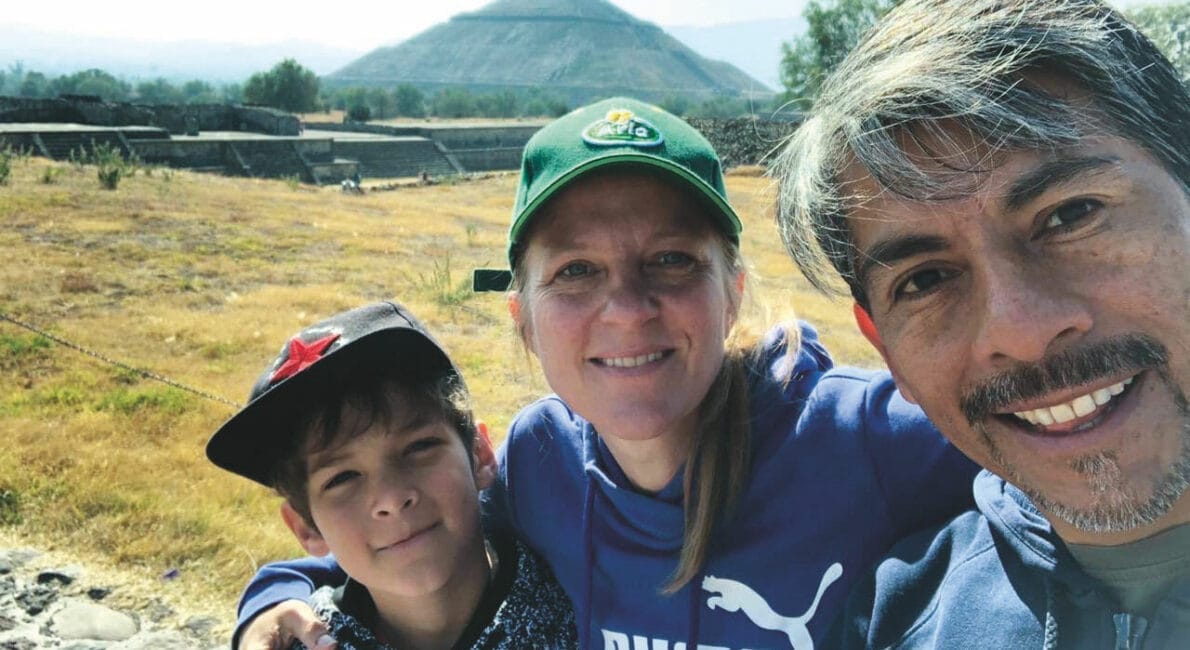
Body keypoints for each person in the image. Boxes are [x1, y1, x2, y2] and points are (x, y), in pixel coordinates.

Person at [233, 97, 979, 650]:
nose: (627, 308)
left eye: (672, 260)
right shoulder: (541, 460)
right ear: (523, 320)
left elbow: (1043, 489)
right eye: (577, 270)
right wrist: (273, 597)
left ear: (732, 294)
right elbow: (407, 541)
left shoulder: (865, 439)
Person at [773, 0, 1190, 646]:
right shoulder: (892, 623)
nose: (1018, 332)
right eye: (925, 281)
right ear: (885, 350)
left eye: (1071, 215)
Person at [206, 301, 576, 649]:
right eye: (342, 478)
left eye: (419, 447)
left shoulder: (580, 595)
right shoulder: (305, 639)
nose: (392, 498)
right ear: (305, 527)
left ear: (479, 454)